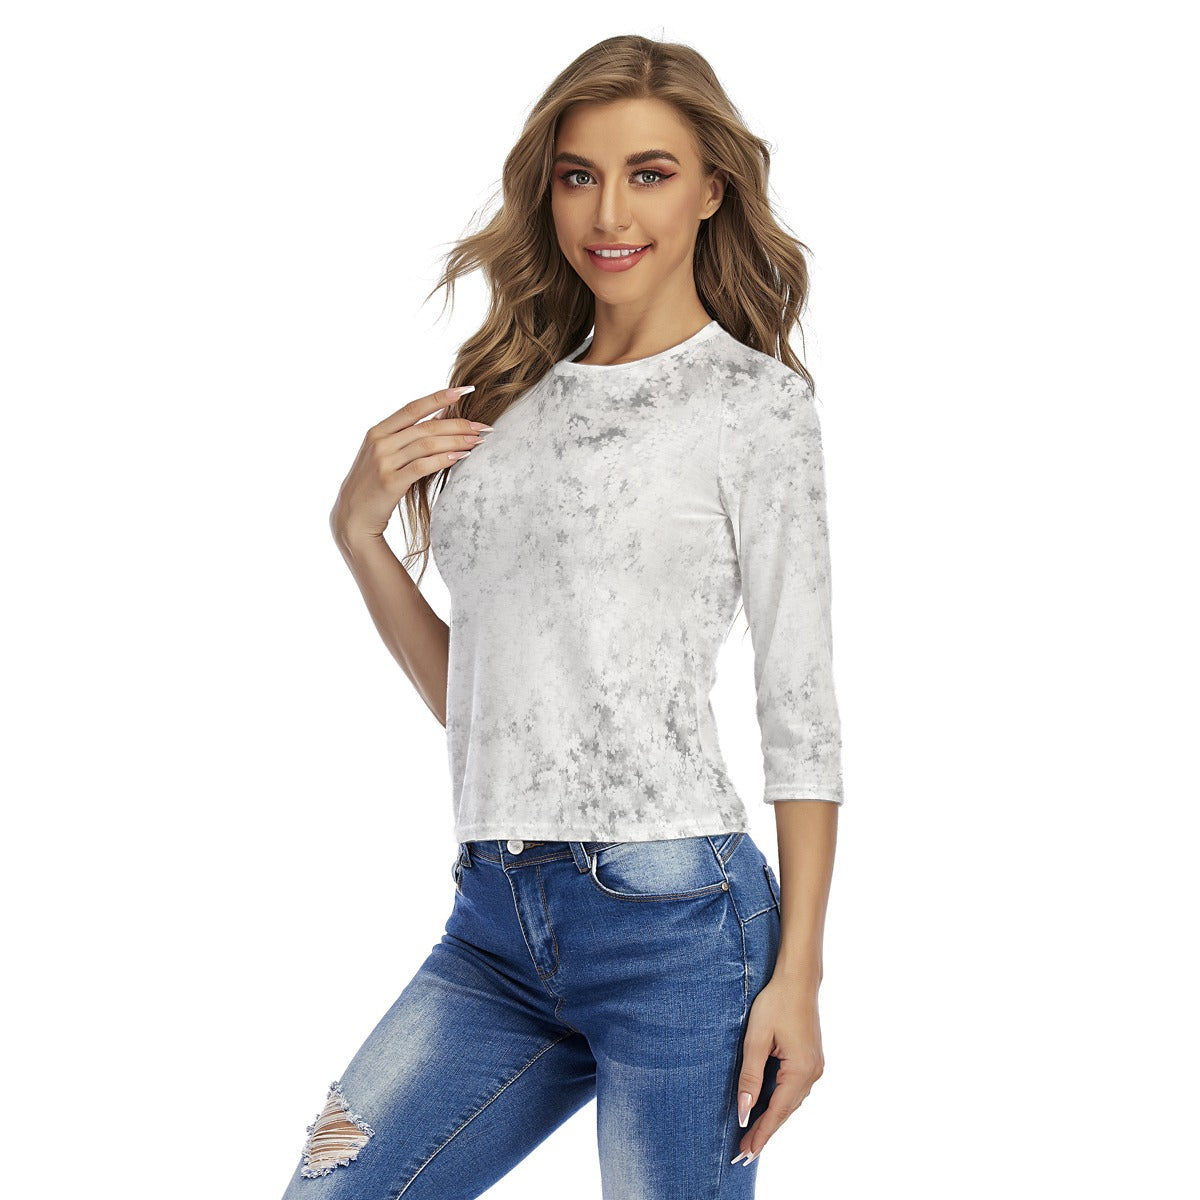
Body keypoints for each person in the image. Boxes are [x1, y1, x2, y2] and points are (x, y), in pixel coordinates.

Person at [279, 32, 843, 1200]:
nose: (609, 212)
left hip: (679, 924)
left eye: (650, 173)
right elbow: (488, 701)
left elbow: (800, 707)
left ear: (711, 190)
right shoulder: (503, 403)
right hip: (494, 923)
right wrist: (358, 537)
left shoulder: (753, 406)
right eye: (579, 174)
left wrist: (799, 977)